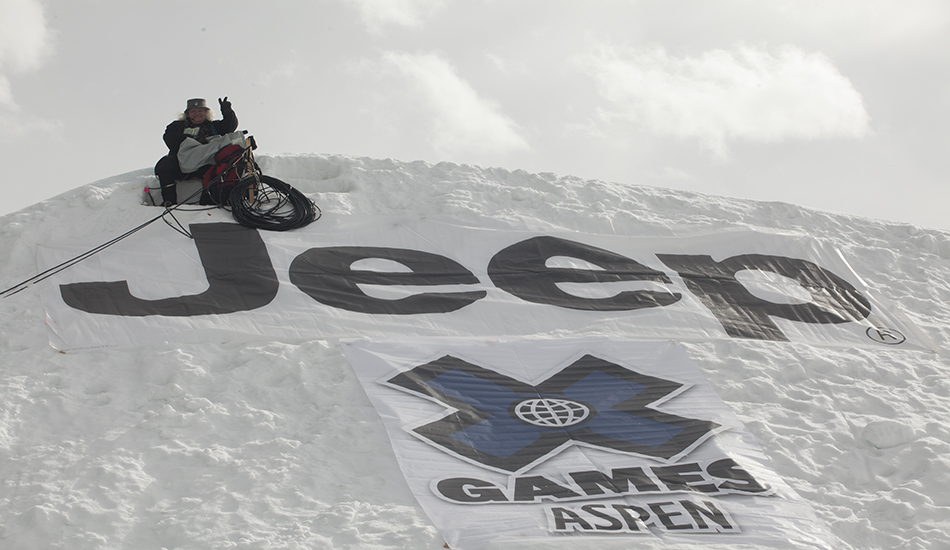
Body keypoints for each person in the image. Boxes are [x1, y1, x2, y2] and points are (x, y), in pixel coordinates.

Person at [154, 97, 238, 206]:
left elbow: (230, 127)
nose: (197, 113)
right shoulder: (177, 126)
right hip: (182, 164)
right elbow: (169, 138)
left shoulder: (214, 126)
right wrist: (192, 139)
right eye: (193, 111)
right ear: (187, 114)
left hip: (205, 164)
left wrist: (227, 111)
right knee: (164, 164)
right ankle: (169, 200)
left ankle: (211, 201)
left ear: (206, 112)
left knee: (218, 170)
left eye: (200, 110)